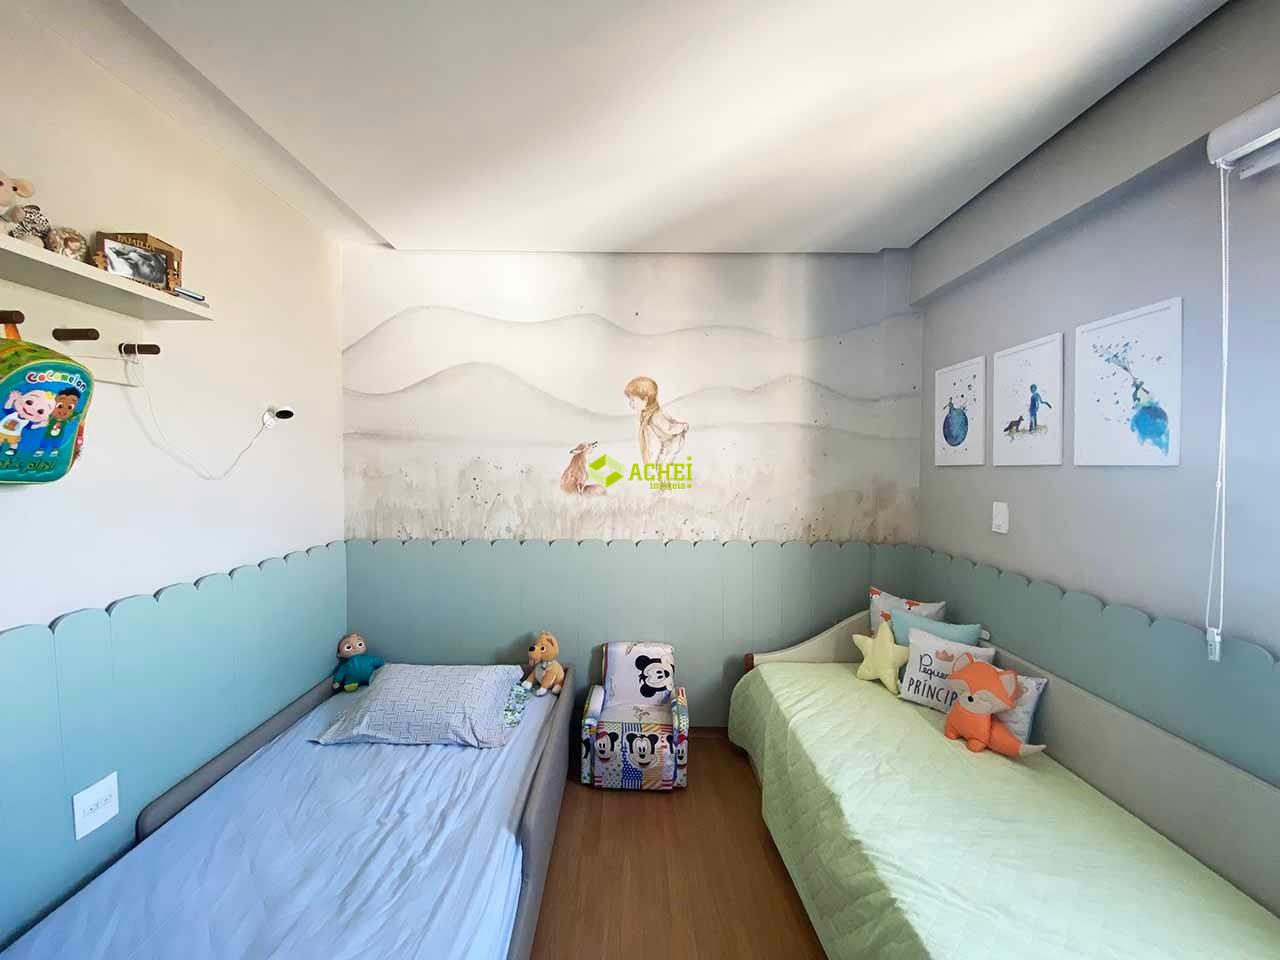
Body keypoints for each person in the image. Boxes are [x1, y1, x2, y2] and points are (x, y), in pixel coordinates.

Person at [623, 376, 688, 466]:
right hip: (665, 443)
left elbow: (669, 428)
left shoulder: (656, 416)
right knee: (658, 463)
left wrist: (683, 427)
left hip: (674, 440)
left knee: (664, 464)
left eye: (633, 400)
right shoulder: (646, 415)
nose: (631, 404)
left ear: (645, 400)